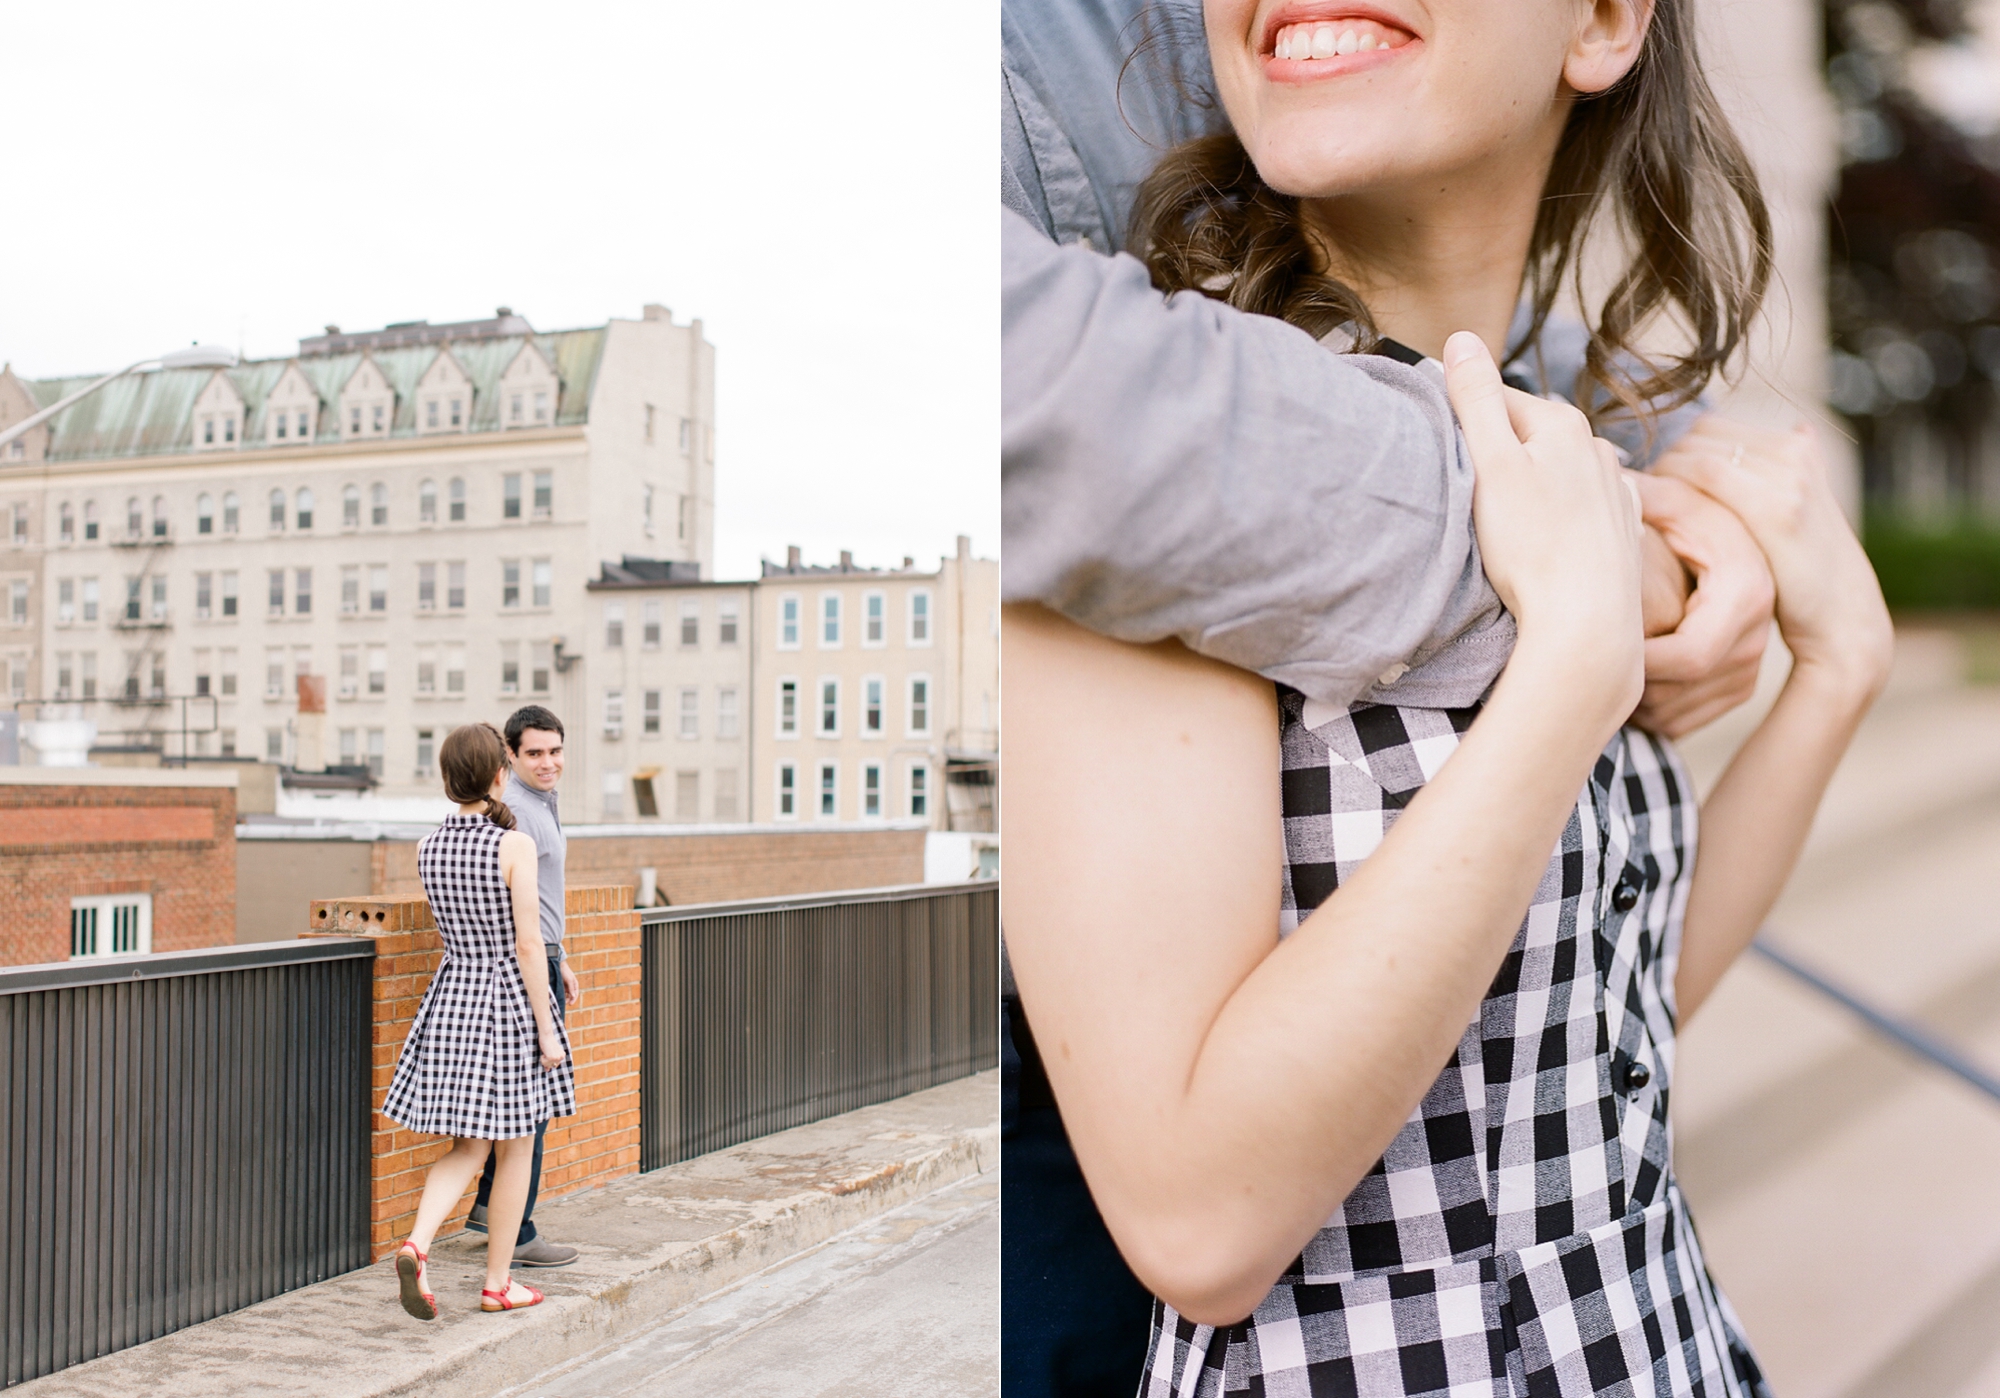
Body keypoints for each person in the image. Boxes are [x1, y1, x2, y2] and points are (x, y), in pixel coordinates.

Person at [1005, 3, 1895, 1396]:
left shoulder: (1554, 432)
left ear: (1602, 22)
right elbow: (1197, 1214)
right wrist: (1566, 672)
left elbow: (1602, 1035)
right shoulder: (1166, 502)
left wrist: (1832, 682)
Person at [387, 722, 574, 1319]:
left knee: (468, 1144)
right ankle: (498, 1283)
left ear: (447, 779)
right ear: (500, 774)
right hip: (505, 999)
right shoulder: (511, 845)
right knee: (516, 1146)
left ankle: (418, 1242)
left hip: (454, 993)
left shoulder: (428, 847)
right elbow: (525, 946)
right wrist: (547, 1028)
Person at [463, 704, 581, 1268]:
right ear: (509, 756)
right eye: (534, 753)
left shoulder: (542, 804)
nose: (548, 762)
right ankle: (521, 1229)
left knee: (526, 1103)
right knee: (530, 1105)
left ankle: (490, 1206)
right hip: (522, 966)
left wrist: (562, 956)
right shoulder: (516, 815)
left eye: (555, 751)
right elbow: (510, 907)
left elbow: (542, 900)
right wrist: (542, 959)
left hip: (546, 957)